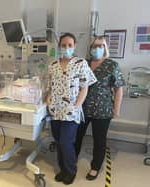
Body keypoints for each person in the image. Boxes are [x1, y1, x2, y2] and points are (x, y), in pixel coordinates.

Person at [46, 33, 97, 185]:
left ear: (74, 46)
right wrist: (48, 101)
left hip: (71, 110)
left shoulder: (80, 63)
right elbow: (50, 87)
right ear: (59, 46)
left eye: (69, 45)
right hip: (55, 110)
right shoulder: (52, 65)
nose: (66, 48)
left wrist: (76, 106)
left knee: (66, 142)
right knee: (58, 141)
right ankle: (62, 169)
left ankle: (71, 171)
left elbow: (84, 88)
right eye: (63, 45)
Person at [75, 36, 125, 180]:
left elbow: (118, 89)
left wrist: (116, 110)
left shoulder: (112, 65)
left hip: (103, 110)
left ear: (105, 48)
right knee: (76, 136)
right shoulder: (83, 64)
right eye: (95, 46)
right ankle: (72, 160)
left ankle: (95, 167)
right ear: (90, 48)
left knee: (99, 140)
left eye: (101, 46)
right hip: (82, 108)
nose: (97, 48)